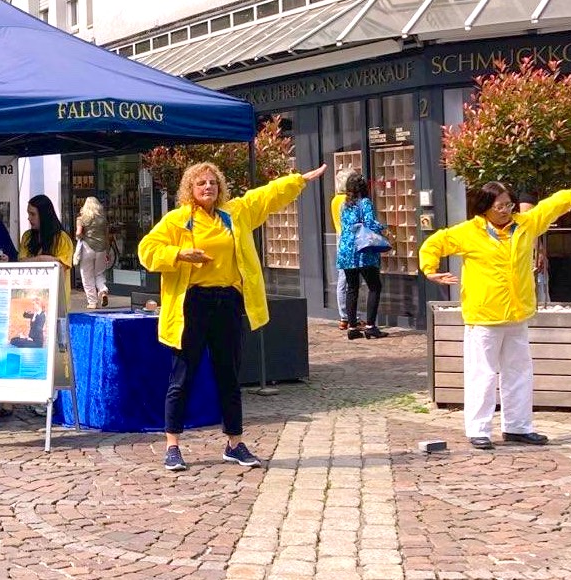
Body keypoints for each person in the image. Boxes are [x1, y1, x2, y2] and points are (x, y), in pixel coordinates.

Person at [140, 160, 326, 472]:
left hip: (227, 301)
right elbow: (147, 250)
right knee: (182, 376)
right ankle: (172, 445)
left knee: (229, 375)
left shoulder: (235, 213)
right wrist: (179, 254)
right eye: (201, 183)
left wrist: (299, 180)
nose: (208, 187)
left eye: (212, 182)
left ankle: (234, 443)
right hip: (192, 304)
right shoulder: (177, 220)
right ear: (190, 189)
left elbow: (266, 196)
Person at [420, 177, 571, 451]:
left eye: (509, 204)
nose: (506, 210)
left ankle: (518, 427)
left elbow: (549, 207)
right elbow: (434, 243)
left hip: (517, 314)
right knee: (482, 375)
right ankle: (479, 430)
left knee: (519, 373)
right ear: (485, 207)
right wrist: (430, 269)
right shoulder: (468, 232)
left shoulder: (525, 224)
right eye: (500, 206)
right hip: (484, 316)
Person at [336, 173, 389, 340]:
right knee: (374, 286)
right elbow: (370, 223)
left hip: (346, 249)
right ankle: (370, 326)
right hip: (362, 249)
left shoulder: (344, 205)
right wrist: (385, 227)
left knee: (352, 288)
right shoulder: (365, 202)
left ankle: (352, 327)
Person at [75, 196, 111, 309]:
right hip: (101, 249)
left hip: (87, 248)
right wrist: (107, 251)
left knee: (87, 276)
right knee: (99, 273)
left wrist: (82, 236)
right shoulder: (103, 220)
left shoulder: (81, 219)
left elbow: (78, 233)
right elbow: (107, 237)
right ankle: (103, 290)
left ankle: (92, 302)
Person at [330, 191, 350, 331]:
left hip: (340, 239)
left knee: (343, 279)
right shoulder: (345, 200)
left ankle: (345, 317)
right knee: (346, 281)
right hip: (347, 242)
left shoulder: (335, 200)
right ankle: (345, 316)